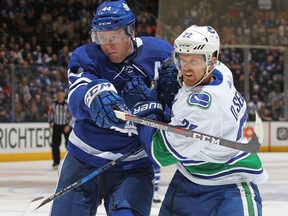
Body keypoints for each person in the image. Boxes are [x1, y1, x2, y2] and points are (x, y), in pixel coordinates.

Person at [49, 0, 173, 215]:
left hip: (133, 165)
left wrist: (171, 100)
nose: (107, 44)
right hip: (83, 161)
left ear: (131, 31)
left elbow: (195, 80)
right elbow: (76, 99)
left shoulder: (160, 53)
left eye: (114, 36)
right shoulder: (86, 56)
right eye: (101, 37)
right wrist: (92, 94)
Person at [134, 25, 269, 215]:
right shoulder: (222, 72)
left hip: (229, 187)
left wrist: (146, 108)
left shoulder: (201, 109)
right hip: (188, 179)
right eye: (182, 58)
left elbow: (159, 153)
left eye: (194, 61)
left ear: (211, 62)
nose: (186, 68)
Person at [48, 86, 73, 170]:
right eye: (58, 92)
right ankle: (56, 162)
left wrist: (69, 125)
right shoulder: (53, 104)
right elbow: (50, 114)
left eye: (61, 92)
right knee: (55, 144)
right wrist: (51, 122)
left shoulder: (67, 104)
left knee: (69, 145)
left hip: (66, 125)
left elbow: (72, 115)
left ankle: (71, 162)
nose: (59, 94)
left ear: (64, 94)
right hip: (56, 125)